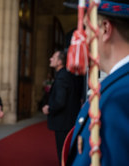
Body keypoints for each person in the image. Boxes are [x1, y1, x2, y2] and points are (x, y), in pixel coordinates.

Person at [63, 0, 129, 165]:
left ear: (105, 29)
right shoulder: (118, 85)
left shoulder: (120, 96)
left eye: (86, 28)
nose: (82, 36)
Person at [42, 50, 83, 164]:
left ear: (60, 62)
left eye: (53, 58)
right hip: (69, 120)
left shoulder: (61, 77)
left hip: (63, 122)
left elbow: (60, 102)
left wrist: (48, 108)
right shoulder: (68, 74)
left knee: (63, 155)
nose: (50, 59)